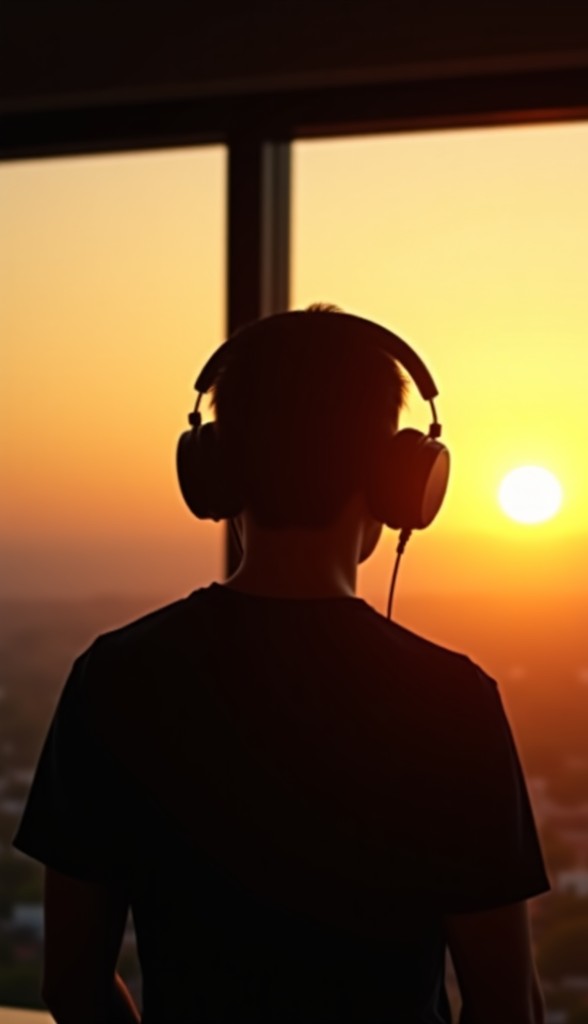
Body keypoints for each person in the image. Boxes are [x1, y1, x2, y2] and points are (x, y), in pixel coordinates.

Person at [13, 306, 550, 1023]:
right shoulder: (452, 699)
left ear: (218, 472)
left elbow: (72, 984)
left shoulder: (114, 678)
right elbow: (506, 1005)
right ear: (398, 479)